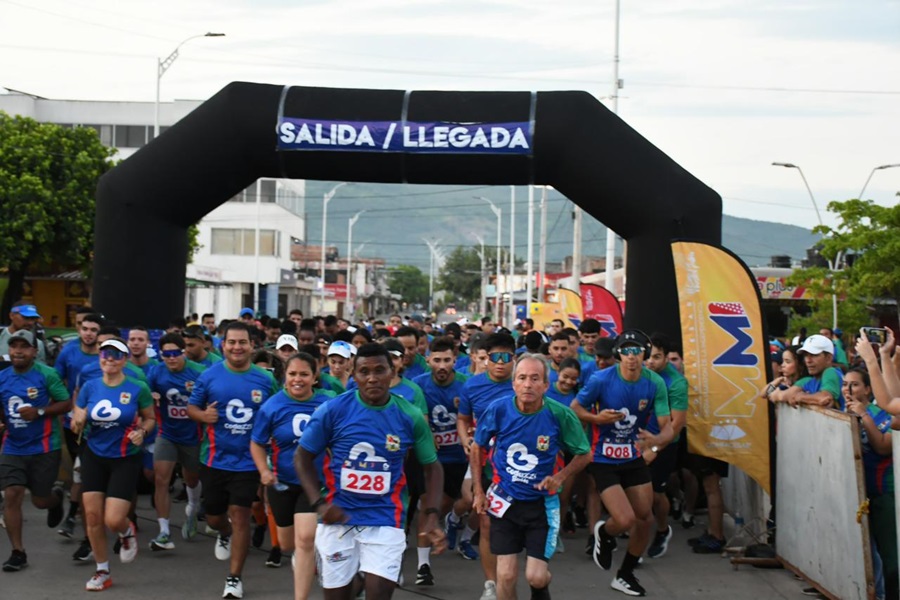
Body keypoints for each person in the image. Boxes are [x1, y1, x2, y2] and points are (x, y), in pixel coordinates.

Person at [295, 342, 447, 600]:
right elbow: (302, 457)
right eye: (365, 371)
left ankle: (368, 573)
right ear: (354, 374)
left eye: (380, 370)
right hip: (338, 518)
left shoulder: (408, 415)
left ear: (393, 372)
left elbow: (432, 466)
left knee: (379, 593)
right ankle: (358, 575)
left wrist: (431, 512)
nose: (373, 378)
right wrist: (319, 504)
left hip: (386, 518)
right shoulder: (333, 411)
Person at [471, 353, 591, 600]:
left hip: (542, 505)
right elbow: (477, 446)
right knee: (505, 576)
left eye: (535, 379)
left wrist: (560, 477)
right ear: (513, 383)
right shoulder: (499, 410)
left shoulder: (560, 414)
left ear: (546, 385)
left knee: (536, 577)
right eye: (522, 378)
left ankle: (541, 589)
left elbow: (584, 454)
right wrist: (478, 491)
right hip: (505, 501)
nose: (527, 384)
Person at [572, 329, 673, 597]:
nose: (631, 357)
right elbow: (575, 408)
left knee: (645, 518)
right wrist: (597, 419)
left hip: (633, 456)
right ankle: (604, 533)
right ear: (618, 354)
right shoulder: (601, 379)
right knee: (625, 519)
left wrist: (655, 442)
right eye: (626, 351)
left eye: (636, 351)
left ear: (644, 354)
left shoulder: (654, 383)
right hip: (603, 458)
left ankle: (625, 574)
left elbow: (668, 428)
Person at [187, 322, 279, 599]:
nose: (237, 347)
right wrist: (203, 416)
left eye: (243, 342)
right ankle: (222, 531)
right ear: (222, 345)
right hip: (214, 458)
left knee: (241, 515)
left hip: (249, 460)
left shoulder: (265, 379)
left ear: (252, 346)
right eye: (232, 342)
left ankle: (234, 578)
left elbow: (277, 412)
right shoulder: (209, 376)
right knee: (215, 517)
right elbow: (192, 407)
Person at [71, 338, 156, 592]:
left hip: (125, 457)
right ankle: (102, 570)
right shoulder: (90, 386)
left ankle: (126, 530)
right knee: (93, 517)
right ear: (99, 357)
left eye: (116, 355)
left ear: (125, 359)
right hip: (94, 455)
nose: (110, 358)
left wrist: (142, 431)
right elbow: (77, 420)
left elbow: (151, 418)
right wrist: (78, 419)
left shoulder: (138, 387)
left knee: (113, 519)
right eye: (106, 353)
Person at [251, 352, 333, 600]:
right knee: (287, 545)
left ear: (315, 377)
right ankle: (304, 555)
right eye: (293, 374)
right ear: (284, 376)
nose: (298, 379)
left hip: (316, 482)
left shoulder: (328, 402)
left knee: (306, 539)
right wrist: (264, 471)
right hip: (282, 482)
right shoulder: (272, 406)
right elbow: (256, 443)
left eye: (304, 374)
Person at [0, 329, 70, 571]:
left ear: (34, 351)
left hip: (44, 446)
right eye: (14, 346)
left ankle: (54, 500)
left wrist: (39, 411)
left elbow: (66, 402)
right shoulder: (2, 377)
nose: (18, 351)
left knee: (39, 501)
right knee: (12, 494)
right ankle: (18, 552)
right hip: (12, 446)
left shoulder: (46, 375)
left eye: (23, 347)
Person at [457, 332, 517, 600]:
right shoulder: (472, 386)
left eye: (507, 357)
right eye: (495, 358)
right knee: (487, 523)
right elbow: (463, 418)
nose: (501, 363)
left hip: (516, 464)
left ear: (514, 359)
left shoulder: (521, 383)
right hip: (483, 461)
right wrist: (465, 441)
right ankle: (491, 584)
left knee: (513, 526)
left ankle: (510, 578)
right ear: (485, 359)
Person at [412, 336, 471, 586]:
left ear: (455, 361)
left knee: (466, 501)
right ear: (428, 361)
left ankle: (455, 521)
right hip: (431, 460)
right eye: (437, 360)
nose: (442, 365)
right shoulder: (418, 386)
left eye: (447, 360)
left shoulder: (466, 385)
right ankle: (423, 565)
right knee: (428, 509)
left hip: (461, 457)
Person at [146, 333, 206, 550]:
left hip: (193, 436)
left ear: (184, 352)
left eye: (175, 354)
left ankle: (192, 505)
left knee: (191, 479)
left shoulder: (199, 373)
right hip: (167, 433)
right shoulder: (156, 372)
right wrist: (150, 397)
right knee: (161, 480)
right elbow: (145, 395)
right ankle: (164, 532)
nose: (171, 358)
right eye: (166, 354)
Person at [842, 366, 896, 600]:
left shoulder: (881, 414)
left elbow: (883, 447)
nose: (848, 389)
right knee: (864, 555)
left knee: (890, 557)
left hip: (884, 493)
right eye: (845, 384)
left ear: (868, 388)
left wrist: (864, 416)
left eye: (854, 384)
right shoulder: (840, 412)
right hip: (856, 494)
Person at [54, 312, 102, 539]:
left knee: (83, 472)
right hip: (73, 421)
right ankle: (77, 515)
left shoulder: (106, 356)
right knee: (79, 472)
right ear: (79, 329)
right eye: (85, 328)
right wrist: (68, 408)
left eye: (94, 330)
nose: (89, 333)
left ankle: (74, 517)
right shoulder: (69, 352)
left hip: (103, 423)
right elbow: (57, 381)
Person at [643, 333, 688, 559]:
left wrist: (654, 449)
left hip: (665, 445)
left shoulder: (677, 383)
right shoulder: (637, 375)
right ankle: (636, 540)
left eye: (657, 357)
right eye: (648, 356)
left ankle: (662, 530)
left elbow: (677, 424)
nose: (651, 361)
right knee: (635, 493)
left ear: (666, 358)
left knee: (654, 494)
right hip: (638, 440)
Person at [769, 334, 843, 410]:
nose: (808, 360)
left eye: (814, 355)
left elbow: (824, 398)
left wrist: (800, 397)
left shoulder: (830, 372)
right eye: (806, 355)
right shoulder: (810, 380)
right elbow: (784, 395)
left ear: (828, 358)